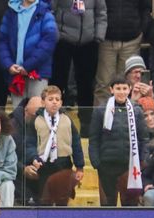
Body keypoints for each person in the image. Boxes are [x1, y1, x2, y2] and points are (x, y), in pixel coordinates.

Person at [23, 85, 84, 205]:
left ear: (61, 102)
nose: (54, 102)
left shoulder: (67, 119)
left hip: (63, 163)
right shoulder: (36, 120)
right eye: (50, 99)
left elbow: (76, 143)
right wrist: (33, 158)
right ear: (43, 102)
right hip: (43, 164)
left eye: (57, 99)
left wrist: (79, 166)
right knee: (45, 199)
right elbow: (30, 143)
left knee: (62, 199)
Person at [88, 77, 144, 206]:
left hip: (130, 166)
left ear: (129, 90)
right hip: (106, 165)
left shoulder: (136, 110)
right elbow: (94, 138)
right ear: (111, 90)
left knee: (130, 204)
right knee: (108, 204)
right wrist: (96, 162)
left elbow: (143, 138)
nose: (121, 92)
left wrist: (142, 160)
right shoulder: (100, 110)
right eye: (118, 88)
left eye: (124, 88)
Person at [50, 0, 105, 131]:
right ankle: (54, 118)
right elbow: (51, 11)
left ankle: (86, 122)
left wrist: (98, 36)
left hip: (88, 41)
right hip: (64, 40)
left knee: (86, 84)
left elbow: (101, 13)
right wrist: (57, 35)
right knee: (58, 80)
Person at [0, 0, 58, 109]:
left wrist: (28, 66)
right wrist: (8, 64)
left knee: (38, 114)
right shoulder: (10, 13)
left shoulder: (46, 13)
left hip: (38, 74)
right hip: (16, 74)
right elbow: (2, 41)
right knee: (18, 115)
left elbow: (49, 42)